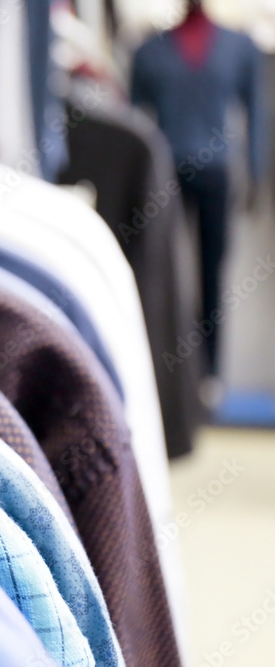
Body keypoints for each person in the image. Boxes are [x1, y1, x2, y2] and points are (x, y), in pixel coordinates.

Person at [131, 0, 267, 404]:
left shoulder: (239, 47)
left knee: (212, 272)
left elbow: (256, 114)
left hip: (216, 174)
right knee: (163, 273)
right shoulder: (150, 49)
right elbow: (134, 121)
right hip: (164, 176)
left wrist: (256, 172)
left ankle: (210, 375)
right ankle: (166, 375)